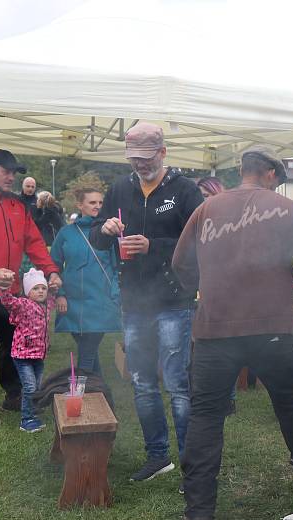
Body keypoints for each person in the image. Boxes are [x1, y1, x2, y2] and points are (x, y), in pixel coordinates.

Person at [172, 146, 293, 520]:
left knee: (206, 419)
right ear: (271, 175)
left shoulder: (206, 209)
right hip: (273, 329)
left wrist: (201, 292)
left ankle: (200, 518)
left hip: (214, 330)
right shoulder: (288, 211)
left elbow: (180, 264)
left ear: (243, 171)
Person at [90, 123, 203, 484]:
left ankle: (190, 461)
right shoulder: (120, 189)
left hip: (173, 299)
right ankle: (158, 456)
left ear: (163, 153)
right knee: (141, 381)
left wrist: (154, 245)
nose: (139, 164)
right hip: (135, 302)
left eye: (145, 157)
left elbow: (201, 242)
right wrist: (104, 230)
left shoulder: (185, 190)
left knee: (176, 384)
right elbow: (96, 238)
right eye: (134, 158)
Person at [0, 149, 61, 427]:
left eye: (14, 172)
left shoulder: (18, 205)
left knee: (15, 345)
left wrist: (51, 271)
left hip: (12, 292)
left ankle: (13, 394)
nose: (11, 177)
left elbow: (34, 242)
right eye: (6, 171)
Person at [50, 186, 121, 374]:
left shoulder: (110, 233)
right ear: (80, 205)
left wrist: (115, 296)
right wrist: (60, 295)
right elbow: (53, 266)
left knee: (87, 353)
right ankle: (101, 394)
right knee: (88, 351)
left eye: (100, 203)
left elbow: (117, 269)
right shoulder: (65, 233)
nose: (97, 206)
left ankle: (83, 392)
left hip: (100, 302)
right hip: (71, 303)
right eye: (92, 202)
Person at [0, 269, 56, 433]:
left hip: (38, 356)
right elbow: (8, 302)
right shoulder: (23, 304)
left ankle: (32, 411)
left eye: (43, 288)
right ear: (27, 291)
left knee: (36, 387)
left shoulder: (46, 306)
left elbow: (52, 297)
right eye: (36, 288)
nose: (40, 291)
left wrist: (54, 287)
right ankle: (26, 420)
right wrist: (5, 288)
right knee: (30, 387)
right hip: (23, 355)